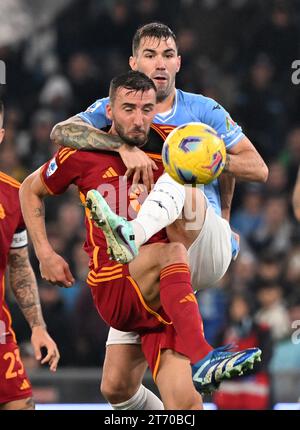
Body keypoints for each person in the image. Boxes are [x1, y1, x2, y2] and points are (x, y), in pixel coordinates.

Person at [50, 23, 268, 410]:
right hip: (152, 258)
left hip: (197, 238)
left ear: (179, 62)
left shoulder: (202, 110)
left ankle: (131, 233)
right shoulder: (112, 110)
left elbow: (258, 168)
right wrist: (121, 145)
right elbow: (62, 132)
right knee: (117, 387)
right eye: (150, 55)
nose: (160, 63)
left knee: (180, 161)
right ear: (134, 62)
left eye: (168, 55)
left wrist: (210, 160)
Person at [0, 101, 60, 410]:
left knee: (23, 404)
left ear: (1, 135)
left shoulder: (13, 196)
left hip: (0, 337)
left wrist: (38, 327)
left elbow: (20, 267)